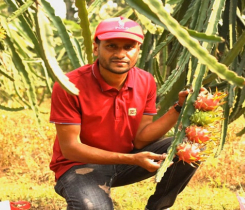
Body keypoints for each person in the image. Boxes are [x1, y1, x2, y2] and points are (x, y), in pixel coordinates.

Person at [49, 16, 198, 210]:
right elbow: (70, 148)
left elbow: (140, 139)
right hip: (79, 166)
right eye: (111, 46)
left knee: (189, 146)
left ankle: (159, 207)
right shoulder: (69, 85)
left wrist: (179, 108)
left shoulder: (145, 81)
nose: (121, 54)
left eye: (128, 47)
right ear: (96, 48)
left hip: (128, 161)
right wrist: (131, 159)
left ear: (138, 50)